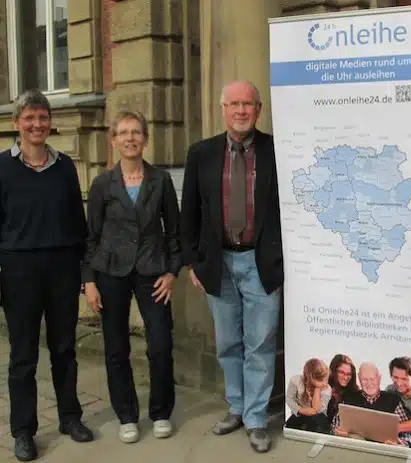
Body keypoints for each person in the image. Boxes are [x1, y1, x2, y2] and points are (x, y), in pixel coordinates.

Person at [180, 80, 283, 453]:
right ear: (223, 108)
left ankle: (256, 418)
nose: (241, 111)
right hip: (218, 263)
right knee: (228, 343)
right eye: (234, 104)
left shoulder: (277, 150)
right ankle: (236, 407)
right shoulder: (201, 153)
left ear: (259, 109)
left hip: (261, 262)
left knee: (260, 343)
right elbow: (188, 213)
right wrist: (193, 260)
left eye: (248, 104)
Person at [0, 89, 94, 461]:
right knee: (23, 355)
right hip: (19, 270)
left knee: (64, 349)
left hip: (61, 270)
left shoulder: (65, 167)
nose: (37, 124)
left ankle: (70, 417)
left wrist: (84, 273)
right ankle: (23, 431)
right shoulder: (2, 167)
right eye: (29, 118)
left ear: (49, 123)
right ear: (16, 124)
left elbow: (78, 225)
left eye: (42, 117)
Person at [82, 110, 181, 444]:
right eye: (123, 133)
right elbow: (90, 237)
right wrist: (90, 281)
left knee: (160, 344)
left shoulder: (161, 181)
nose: (129, 138)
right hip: (111, 272)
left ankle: (161, 412)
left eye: (136, 132)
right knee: (116, 347)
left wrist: (171, 271)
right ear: (113, 140)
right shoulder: (102, 184)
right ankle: (126, 414)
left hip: (152, 271)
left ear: (145, 138)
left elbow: (174, 233)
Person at [332, 362, 411, 447]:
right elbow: (335, 426)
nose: (369, 383)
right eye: (365, 379)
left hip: (384, 451)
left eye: (372, 379)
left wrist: (402, 445)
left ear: (379, 378)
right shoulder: (348, 399)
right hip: (355, 449)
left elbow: (408, 436)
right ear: (359, 379)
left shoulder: (393, 400)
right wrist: (337, 432)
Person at [285, 358, 331, 434]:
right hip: (301, 412)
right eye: (321, 380)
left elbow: (317, 409)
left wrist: (317, 389)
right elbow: (289, 398)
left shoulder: (327, 389)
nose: (324, 383)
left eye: (326, 379)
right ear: (310, 378)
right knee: (290, 425)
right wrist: (301, 410)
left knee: (316, 423)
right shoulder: (296, 380)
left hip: (319, 415)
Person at [326, 354, 359, 424]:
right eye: (341, 373)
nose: (345, 377)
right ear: (333, 371)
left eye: (349, 374)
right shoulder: (323, 388)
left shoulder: (356, 394)